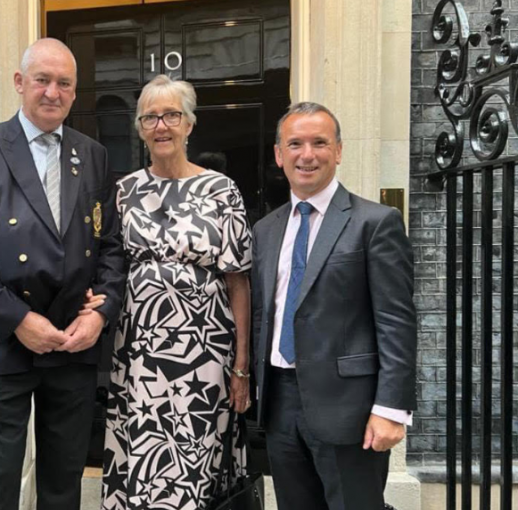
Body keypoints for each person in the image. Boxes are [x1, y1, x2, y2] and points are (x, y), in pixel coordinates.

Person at [0, 38, 126, 510]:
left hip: (72, 341)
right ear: (20, 83)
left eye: (64, 83)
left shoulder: (94, 155)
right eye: (42, 79)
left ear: (75, 92)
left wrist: (100, 315)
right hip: (0, 340)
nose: (52, 92)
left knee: (63, 481)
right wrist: (18, 320)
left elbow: (112, 247)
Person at [250, 102, 417, 509]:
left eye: (319, 143)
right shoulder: (266, 230)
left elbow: (396, 321)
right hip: (280, 405)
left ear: (338, 151)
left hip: (351, 410)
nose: (307, 154)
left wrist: (392, 408)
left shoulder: (375, 222)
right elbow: (263, 316)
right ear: (278, 154)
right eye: (295, 144)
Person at [98, 75, 253, 510]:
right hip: (140, 354)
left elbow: (238, 280)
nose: (161, 126)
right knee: (142, 451)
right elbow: (106, 262)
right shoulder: (123, 191)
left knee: (198, 455)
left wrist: (241, 367)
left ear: (189, 124)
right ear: (140, 127)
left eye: (171, 115)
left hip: (205, 354)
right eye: (150, 117)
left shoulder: (221, 190)